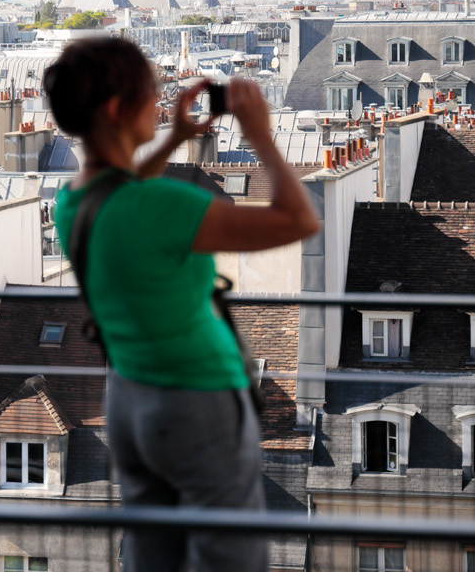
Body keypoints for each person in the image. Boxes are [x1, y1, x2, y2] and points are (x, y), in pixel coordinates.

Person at [45, 36, 318, 572]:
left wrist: (173, 138)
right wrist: (260, 134)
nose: (161, 99)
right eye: (153, 92)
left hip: (130, 399)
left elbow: (121, 195)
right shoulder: (162, 205)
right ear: (118, 108)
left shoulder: (72, 203)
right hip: (197, 399)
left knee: (154, 552)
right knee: (227, 556)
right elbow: (298, 220)